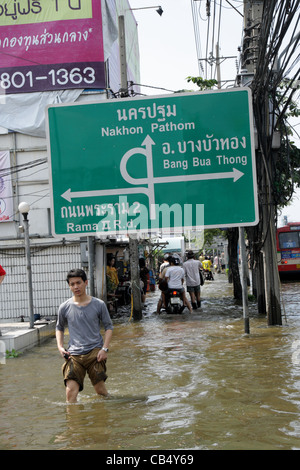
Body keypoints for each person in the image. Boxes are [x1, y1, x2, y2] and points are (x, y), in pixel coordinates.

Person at [56, 268, 113, 403]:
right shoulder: (64, 307)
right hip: (74, 354)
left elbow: (109, 327)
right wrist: (60, 347)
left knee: (100, 390)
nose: (76, 287)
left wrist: (104, 349)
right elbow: (59, 327)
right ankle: (74, 423)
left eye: (78, 283)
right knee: (70, 392)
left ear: (86, 282)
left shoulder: (99, 304)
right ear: (69, 286)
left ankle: (105, 414)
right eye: (72, 284)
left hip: (95, 353)